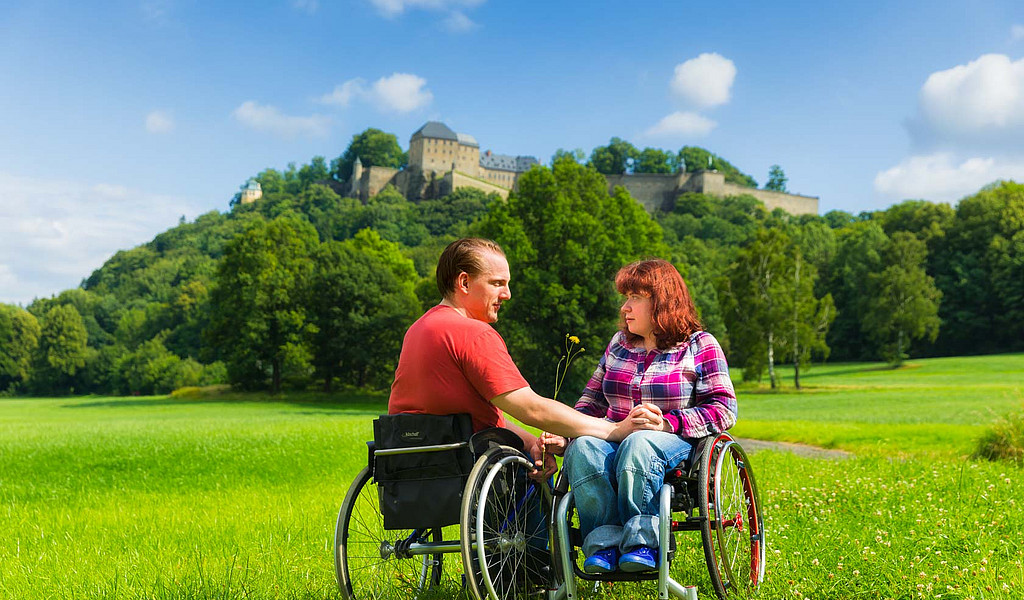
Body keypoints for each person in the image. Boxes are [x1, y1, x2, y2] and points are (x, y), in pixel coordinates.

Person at [541, 259, 737, 574]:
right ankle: (603, 544)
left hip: (673, 445)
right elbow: (591, 401)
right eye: (626, 298)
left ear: (661, 303)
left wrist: (668, 423)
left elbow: (724, 409)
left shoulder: (700, 346)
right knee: (583, 447)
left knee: (641, 442)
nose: (625, 307)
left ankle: (643, 542)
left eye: (634, 298)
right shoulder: (618, 345)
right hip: (613, 438)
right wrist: (565, 434)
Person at [388, 237, 638, 477]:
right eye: (497, 283)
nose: (507, 294)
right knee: (539, 481)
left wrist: (529, 441)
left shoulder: (418, 329)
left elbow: (459, 417)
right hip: (469, 462)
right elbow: (531, 408)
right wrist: (613, 429)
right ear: (464, 283)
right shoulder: (474, 334)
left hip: (412, 461)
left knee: (530, 451)